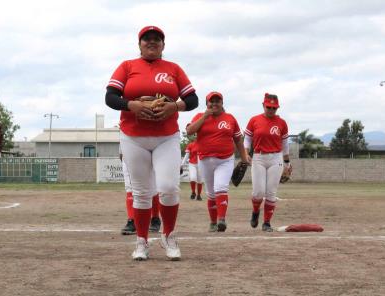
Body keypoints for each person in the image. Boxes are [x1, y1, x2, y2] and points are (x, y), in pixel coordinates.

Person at [105, 25, 198, 261]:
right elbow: (111, 97)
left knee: (168, 187)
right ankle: (142, 241)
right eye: (147, 39)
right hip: (133, 137)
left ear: (163, 45)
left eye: (157, 39)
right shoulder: (128, 66)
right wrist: (132, 105)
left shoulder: (173, 69)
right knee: (141, 192)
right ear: (139, 45)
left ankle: (169, 236)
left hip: (166, 136)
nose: (152, 42)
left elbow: (192, 99)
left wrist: (174, 106)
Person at [186, 91, 249, 232]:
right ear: (207, 104)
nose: (214, 103)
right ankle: (213, 222)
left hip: (225, 159)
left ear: (222, 103)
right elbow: (190, 131)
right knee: (211, 193)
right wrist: (204, 117)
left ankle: (221, 219)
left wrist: (244, 158)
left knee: (221, 187)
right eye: (211, 101)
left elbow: (238, 139)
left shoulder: (230, 118)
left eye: (217, 101)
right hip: (205, 159)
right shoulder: (199, 116)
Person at [244, 93, 291, 232]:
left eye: (274, 108)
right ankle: (255, 211)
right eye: (268, 107)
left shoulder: (282, 123)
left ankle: (266, 223)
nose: (271, 110)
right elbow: (247, 139)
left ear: (277, 108)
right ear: (263, 105)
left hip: (276, 158)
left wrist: (287, 164)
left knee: (271, 192)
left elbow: (285, 144)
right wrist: (246, 153)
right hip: (258, 157)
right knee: (258, 192)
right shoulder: (254, 120)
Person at [120, 152, 161, 235]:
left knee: (152, 187)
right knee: (130, 188)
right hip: (128, 153)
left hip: (149, 152)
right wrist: (121, 152)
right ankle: (132, 221)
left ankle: (155, 218)